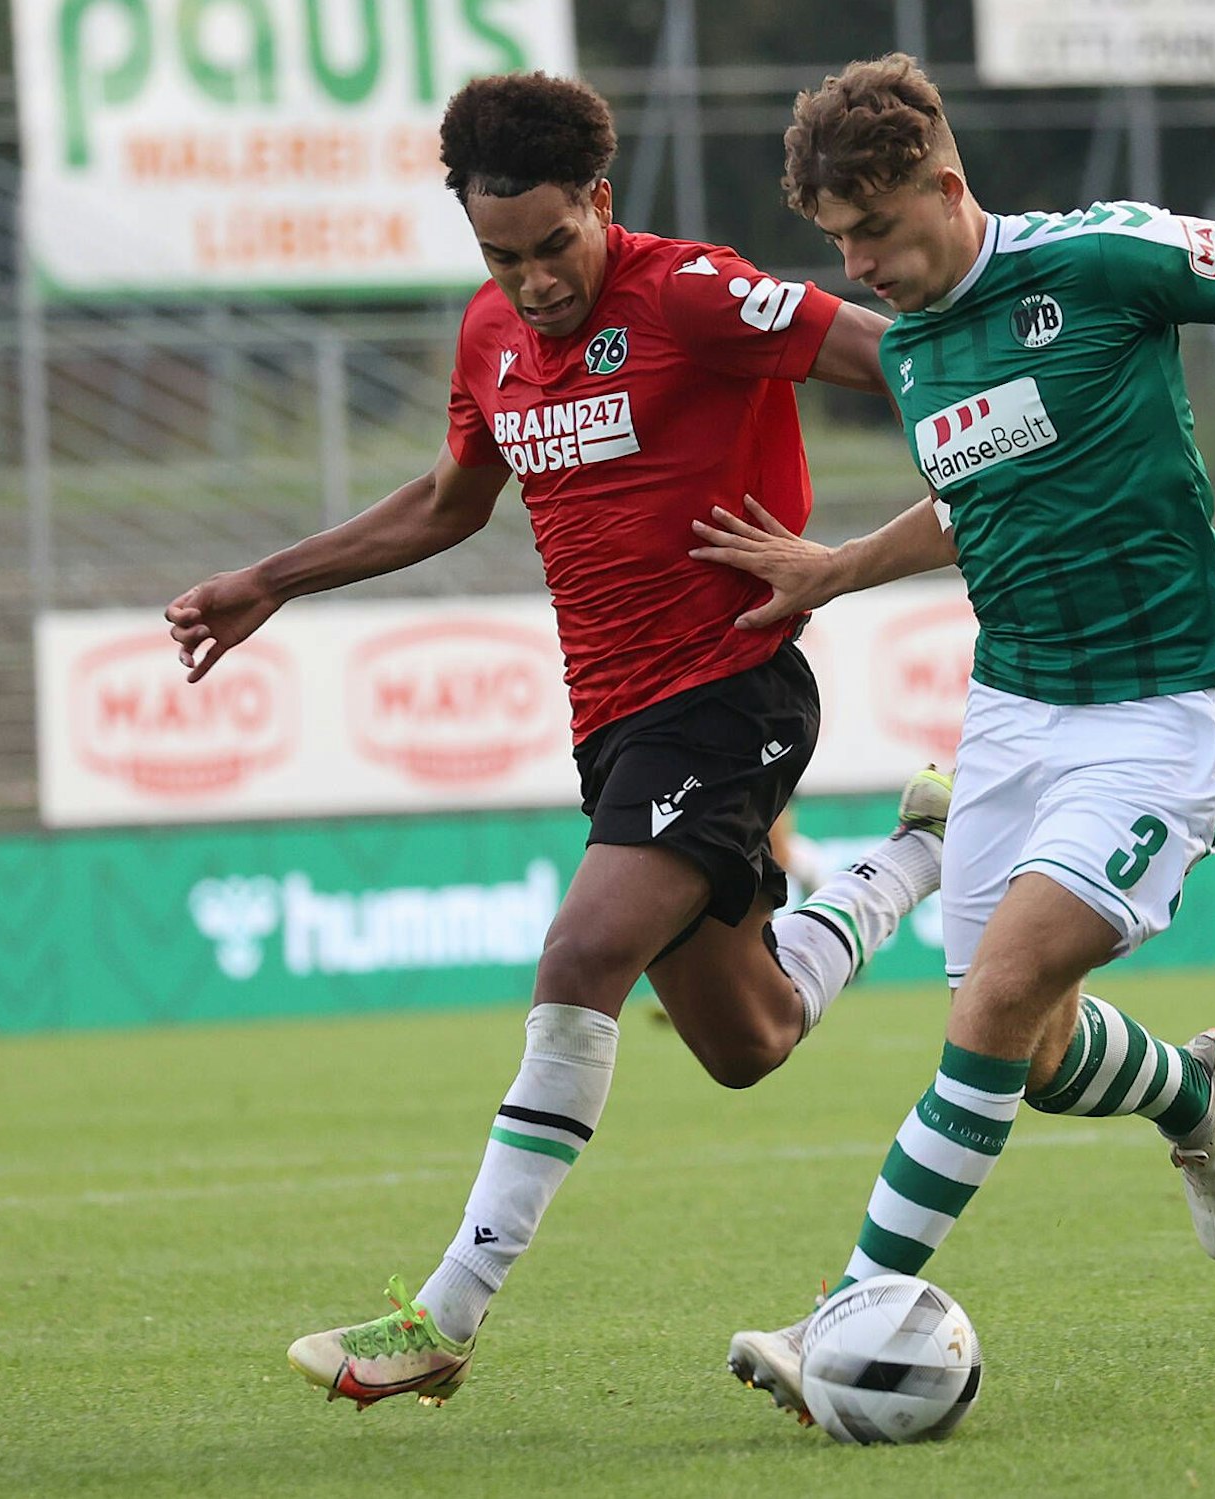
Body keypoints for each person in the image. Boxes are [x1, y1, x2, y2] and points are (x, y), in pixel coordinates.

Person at [164, 71, 951, 1410]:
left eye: (551, 246)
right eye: (499, 256)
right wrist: (274, 578)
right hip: (615, 723)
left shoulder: (694, 292)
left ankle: (442, 1315)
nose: (531, 282)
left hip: (732, 691)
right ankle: (914, 859)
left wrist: (881, 541)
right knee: (747, 1035)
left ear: (601, 200)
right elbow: (448, 500)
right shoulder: (489, 333)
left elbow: (902, 352)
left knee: (583, 951)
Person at [689, 55, 1215, 1421]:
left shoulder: (1102, 259)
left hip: (1157, 707)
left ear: (946, 183)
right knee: (1027, 1051)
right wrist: (835, 566)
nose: (861, 265)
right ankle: (1191, 1083)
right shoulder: (916, 347)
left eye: (877, 230)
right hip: (1016, 711)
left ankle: (842, 1314)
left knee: (988, 1006)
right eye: (839, 242)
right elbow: (975, 496)